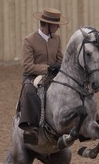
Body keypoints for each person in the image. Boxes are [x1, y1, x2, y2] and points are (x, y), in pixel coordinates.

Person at [18, 8, 69, 145]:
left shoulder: (57, 39)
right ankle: (30, 128)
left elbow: (60, 59)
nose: (58, 27)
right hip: (33, 76)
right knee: (29, 91)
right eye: (56, 24)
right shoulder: (29, 40)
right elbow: (28, 66)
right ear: (47, 25)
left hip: (53, 75)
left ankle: (86, 121)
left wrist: (61, 66)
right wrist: (47, 68)